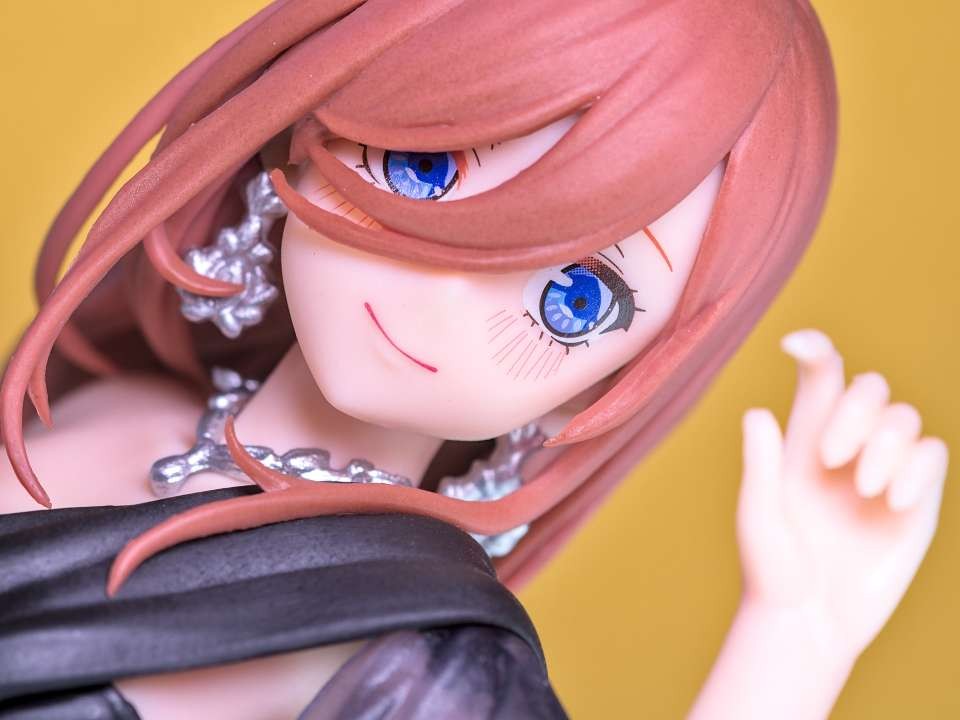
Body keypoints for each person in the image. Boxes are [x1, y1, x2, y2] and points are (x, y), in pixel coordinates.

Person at [0, 1, 948, 718]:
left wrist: (792, 640)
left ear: (623, 373)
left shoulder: (420, 663)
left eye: (574, 299)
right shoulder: (111, 396)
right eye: (426, 167)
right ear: (310, 122)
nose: (443, 291)